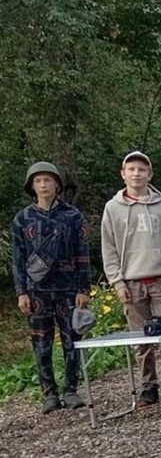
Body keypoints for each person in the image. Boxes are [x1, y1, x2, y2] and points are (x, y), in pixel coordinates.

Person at [100, 151, 161, 406]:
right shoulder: (112, 208)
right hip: (131, 281)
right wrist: (117, 282)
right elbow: (108, 248)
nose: (136, 174)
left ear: (150, 174)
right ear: (123, 174)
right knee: (140, 338)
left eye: (141, 169)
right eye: (131, 169)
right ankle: (148, 386)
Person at [12, 162, 89, 413]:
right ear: (31, 186)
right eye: (38, 181)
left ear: (57, 184)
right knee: (41, 343)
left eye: (48, 180)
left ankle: (71, 390)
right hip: (36, 291)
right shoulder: (22, 219)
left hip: (68, 289)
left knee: (72, 340)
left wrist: (83, 288)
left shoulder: (73, 216)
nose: (43, 185)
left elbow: (82, 254)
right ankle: (49, 393)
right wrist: (21, 292)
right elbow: (18, 259)